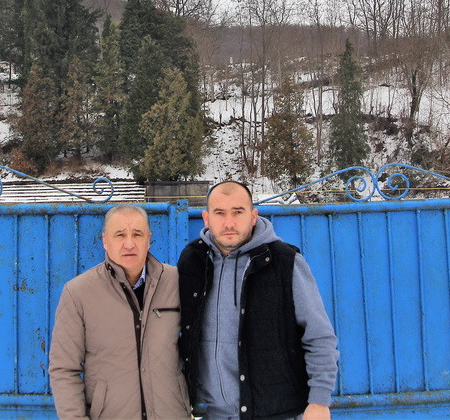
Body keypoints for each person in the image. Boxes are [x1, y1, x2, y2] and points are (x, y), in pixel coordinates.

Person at [177, 180, 339, 420]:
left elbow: (319, 336)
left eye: (238, 212)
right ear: (206, 218)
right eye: (220, 213)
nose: (229, 223)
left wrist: (319, 400)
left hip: (275, 413)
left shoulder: (285, 262)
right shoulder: (193, 259)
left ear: (253, 216)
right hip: (211, 414)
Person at [49, 204, 190, 420]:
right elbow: (64, 369)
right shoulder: (78, 293)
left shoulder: (176, 282)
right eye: (120, 235)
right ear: (105, 241)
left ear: (149, 239)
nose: (129, 243)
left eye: (137, 234)